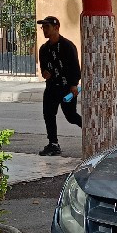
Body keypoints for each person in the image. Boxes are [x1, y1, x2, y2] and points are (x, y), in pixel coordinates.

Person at [37, 16, 82, 156]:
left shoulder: (67, 46)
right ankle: (53, 144)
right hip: (51, 87)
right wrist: (45, 74)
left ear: (56, 28)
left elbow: (75, 67)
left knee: (71, 116)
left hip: (66, 87)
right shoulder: (44, 49)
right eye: (42, 27)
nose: (44, 30)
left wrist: (74, 84)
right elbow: (44, 69)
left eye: (47, 27)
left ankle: (91, 131)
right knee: (48, 114)